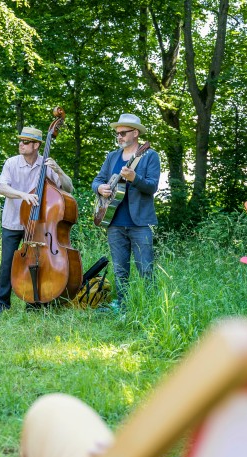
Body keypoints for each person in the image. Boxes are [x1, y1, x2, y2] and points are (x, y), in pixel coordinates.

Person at [0, 127, 74, 314]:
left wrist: (59, 170)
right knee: (8, 262)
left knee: (38, 260)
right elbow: (2, 188)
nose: (21, 144)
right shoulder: (11, 163)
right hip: (14, 220)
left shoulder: (46, 164)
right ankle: (2, 303)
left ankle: (34, 301)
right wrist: (23, 195)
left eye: (26, 142)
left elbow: (68, 189)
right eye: (21, 141)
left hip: (40, 224)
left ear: (37, 145)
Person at [92, 113, 160, 311]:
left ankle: (150, 308)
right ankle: (123, 307)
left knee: (145, 269)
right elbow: (97, 180)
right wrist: (100, 188)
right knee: (120, 270)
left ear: (136, 133)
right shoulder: (112, 156)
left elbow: (151, 187)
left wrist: (134, 178)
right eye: (117, 134)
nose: (119, 137)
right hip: (113, 221)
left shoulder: (149, 156)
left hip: (139, 224)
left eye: (123, 133)